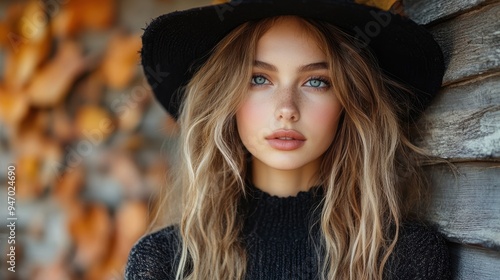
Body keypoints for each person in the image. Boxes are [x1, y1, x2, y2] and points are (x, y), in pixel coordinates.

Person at [125, 0, 451, 279]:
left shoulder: (403, 256)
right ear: (224, 96)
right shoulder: (166, 262)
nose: (286, 109)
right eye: (259, 78)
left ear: (350, 101)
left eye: (316, 82)